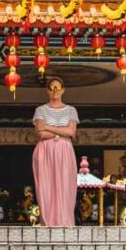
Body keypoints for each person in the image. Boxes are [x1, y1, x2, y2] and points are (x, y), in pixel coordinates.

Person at [32, 77, 78, 227]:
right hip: (45, 150)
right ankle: (47, 222)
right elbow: (41, 133)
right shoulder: (40, 110)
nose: (55, 91)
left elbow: (71, 132)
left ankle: (65, 222)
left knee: (65, 185)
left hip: (65, 150)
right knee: (46, 186)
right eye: (52, 88)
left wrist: (49, 128)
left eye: (58, 88)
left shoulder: (71, 110)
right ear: (47, 90)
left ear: (63, 90)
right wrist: (60, 132)